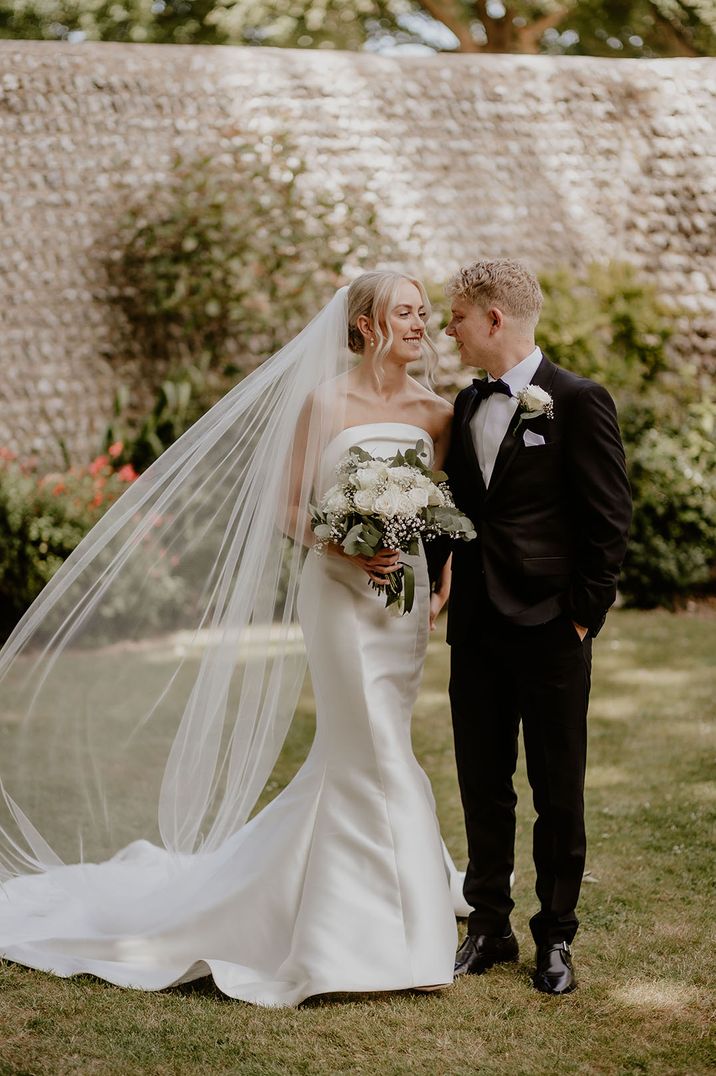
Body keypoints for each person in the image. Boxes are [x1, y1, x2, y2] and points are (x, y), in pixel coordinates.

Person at [0, 271, 467, 1007]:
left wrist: (439, 573)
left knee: (370, 747)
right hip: (340, 592)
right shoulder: (324, 403)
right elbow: (285, 509)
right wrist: (346, 545)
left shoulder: (439, 414)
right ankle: (395, 936)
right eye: (405, 313)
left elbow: (441, 512)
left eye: (422, 314)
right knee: (373, 745)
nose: (421, 325)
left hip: (399, 604)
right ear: (368, 325)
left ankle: (344, 900)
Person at [439, 259, 632, 995]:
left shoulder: (578, 400)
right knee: (482, 783)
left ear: (494, 319)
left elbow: (609, 519)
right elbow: (461, 506)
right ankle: (488, 925)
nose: (448, 328)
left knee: (559, 788)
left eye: (457, 315)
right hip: (477, 628)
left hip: (553, 628)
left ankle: (556, 937)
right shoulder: (464, 403)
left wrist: (582, 616)